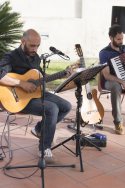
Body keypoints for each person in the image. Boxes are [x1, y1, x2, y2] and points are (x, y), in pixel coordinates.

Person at [0, 29, 72, 161]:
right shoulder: (11, 57)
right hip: (18, 99)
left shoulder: (36, 58)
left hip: (36, 94)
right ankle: (44, 148)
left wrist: (62, 75)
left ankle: (39, 129)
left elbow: (40, 76)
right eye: (32, 45)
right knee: (52, 109)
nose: (35, 49)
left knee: (66, 106)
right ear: (22, 41)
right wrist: (21, 83)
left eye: (38, 45)